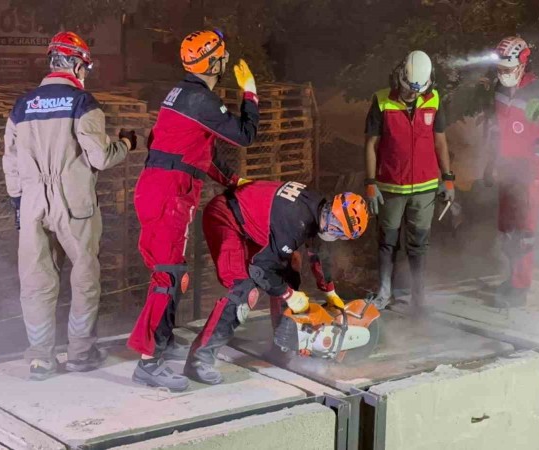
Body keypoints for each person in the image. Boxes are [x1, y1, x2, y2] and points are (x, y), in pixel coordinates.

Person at [127, 29, 259, 392]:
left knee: (173, 274)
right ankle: (148, 363)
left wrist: (230, 180)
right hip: (170, 193)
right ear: (213, 61)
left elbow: (193, 150)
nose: (227, 60)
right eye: (223, 55)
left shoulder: (182, 95)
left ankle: (163, 341)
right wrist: (250, 93)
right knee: (168, 276)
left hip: (163, 187)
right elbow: (245, 135)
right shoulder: (200, 99)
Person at [3, 31, 132, 380]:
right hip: (74, 204)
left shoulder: (22, 106)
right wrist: (125, 144)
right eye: (84, 67)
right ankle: (80, 353)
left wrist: (19, 205)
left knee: (36, 282)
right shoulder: (82, 103)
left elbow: (10, 163)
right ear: (76, 64)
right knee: (84, 278)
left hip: (31, 204)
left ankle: (41, 359)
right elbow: (100, 157)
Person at [183, 180, 369, 385]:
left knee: (291, 267)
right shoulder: (294, 222)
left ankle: (282, 345)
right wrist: (289, 295)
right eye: (338, 232)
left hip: (252, 221)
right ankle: (200, 359)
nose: (336, 237)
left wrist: (330, 293)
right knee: (244, 290)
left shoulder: (318, 208)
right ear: (333, 219)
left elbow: (318, 252)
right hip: (226, 218)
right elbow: (260, 268)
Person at [364, 50, 454, 314]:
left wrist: (448, 178)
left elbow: (440, 141)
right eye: (407, 89)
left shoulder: (434, 99)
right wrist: (370, 183)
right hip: (390, 186)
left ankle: (418, 297)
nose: (412, 95)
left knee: (419, 243)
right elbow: (371, 145)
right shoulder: (381, 101)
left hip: (425, 187)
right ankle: (384, 293)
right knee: (387, 241)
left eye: (417, 91)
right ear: (399, 77)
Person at [483, 36, 539, 307]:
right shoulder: (500, 90)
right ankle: (512, 277)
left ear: (523, 64)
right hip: (506, 167)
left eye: (508, 69)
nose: (503, 74)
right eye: (499, 69)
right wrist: (491, 164)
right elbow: (495, 130)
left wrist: (533, 175)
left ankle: (520, 287)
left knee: (525, 232)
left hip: (531, 170)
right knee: (507, 228)